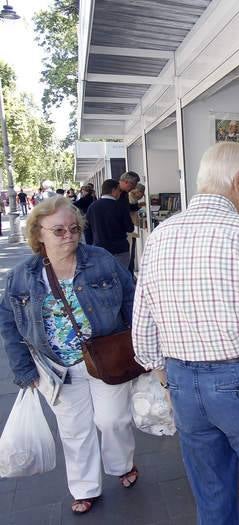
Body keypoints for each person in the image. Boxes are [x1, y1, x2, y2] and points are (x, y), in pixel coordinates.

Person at [132, 142, 239, 525]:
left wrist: (166, 379)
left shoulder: (160, 236)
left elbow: (142, 325)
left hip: (183, 383)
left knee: (211, 494)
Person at [0, 196, 138, 515]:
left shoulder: (100, 259)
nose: (69, 236)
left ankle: (121, 464)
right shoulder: (22, 275)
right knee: (75, 430)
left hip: (106, 358)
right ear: (39, 234)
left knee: (113, 419)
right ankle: (85, 487)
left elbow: (131, 297)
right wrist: (23, 368)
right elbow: (8, 322)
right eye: (59, 230)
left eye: (74, 228)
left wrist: (139, 342)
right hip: (58, 367)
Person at [85, 179, 135, 269]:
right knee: (121, 278)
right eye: (119, 190)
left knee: (104, 279)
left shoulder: (92, 207)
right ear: (113, 191)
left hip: (99, 250)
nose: (120, 193)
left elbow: (87, 230)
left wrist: (91, 247)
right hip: (120, 249)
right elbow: (130, 228)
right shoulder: (120, 206)